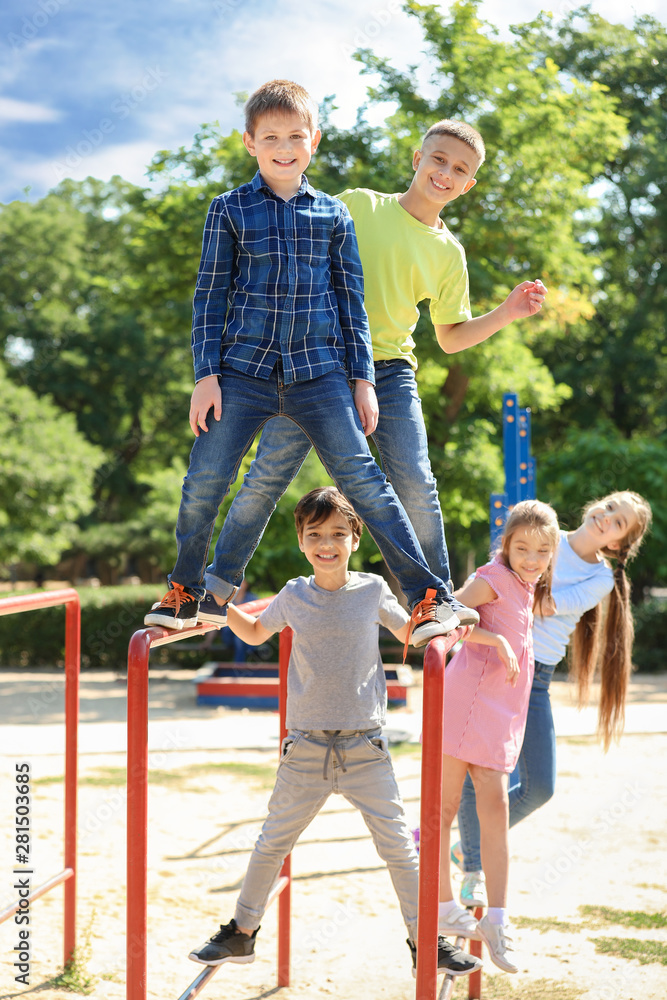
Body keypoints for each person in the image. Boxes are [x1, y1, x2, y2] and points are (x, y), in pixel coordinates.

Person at [144, 80, 465, 648]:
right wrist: (205, 375)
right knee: (205, 481)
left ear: (313, 141)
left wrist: (363, 378)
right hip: (243, 374)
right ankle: (185, 588)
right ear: (250, 142)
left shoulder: (334, 215)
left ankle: (426, 596)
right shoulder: (229, 210)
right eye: (271, 137)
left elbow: (350, 304)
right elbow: (210, 296)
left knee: (367, 481)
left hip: (321, 376)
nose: (284, 146)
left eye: (296, 136)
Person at [198, 118, 547, 630]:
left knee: (415, 481)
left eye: (459, 170)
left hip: (389, 371)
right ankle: (214, 587)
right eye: (438, 160)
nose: (444, 173)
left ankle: (434, 597)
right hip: (316, 364)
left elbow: (450, 336)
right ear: (417, 158)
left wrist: (508, 312)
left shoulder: (450, 254)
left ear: (469, 184)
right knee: (266, 474)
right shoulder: (359, 204)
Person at [188, 487, 483, 979]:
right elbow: (258, 633)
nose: (327, 543)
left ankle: (425, 942)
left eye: (338, 534)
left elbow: (409, 630)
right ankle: (242, 932)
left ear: (355, 539)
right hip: (305, 745)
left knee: (399, 848)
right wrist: (214, 607)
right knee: (271, 842)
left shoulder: (371, 590)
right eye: (316, 535)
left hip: (364, 744)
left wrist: (455, 618)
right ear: (302, 542)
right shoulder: (293, 594)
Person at [454, 491, 652, 909]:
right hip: (493, 665)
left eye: (619, 523)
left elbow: (542, 604)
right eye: (611, 506)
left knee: (540, 786)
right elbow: (498, 575)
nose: (608, 517)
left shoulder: (599, 578)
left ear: (617, 544)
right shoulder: (543, 538)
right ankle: (472, 863)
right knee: (482, 770)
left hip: (536, 676)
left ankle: (470, 843)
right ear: (595, 503)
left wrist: (524, 566)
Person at [436, 500, 561, 974]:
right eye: (522, 547)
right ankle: (446, 904)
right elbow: (449, 614)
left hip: (500, 707)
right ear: (505, 544)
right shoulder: (493, 576)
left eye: (542, 551)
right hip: (468, 699)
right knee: (445, 807)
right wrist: (497, 640)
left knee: (495, 807)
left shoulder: (528, 585)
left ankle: (498, 917)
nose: (531, 558)